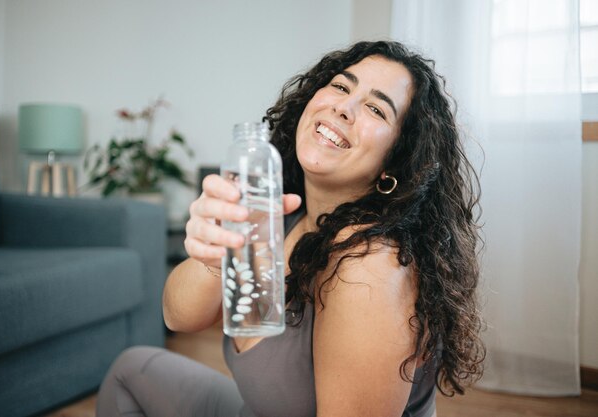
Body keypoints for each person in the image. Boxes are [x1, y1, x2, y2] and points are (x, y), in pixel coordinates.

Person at [96, 40, 485, 417]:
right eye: (340, 86)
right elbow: (177, 317)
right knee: (130, 371)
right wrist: (214, 253)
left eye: (376, 110)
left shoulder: (369, 264)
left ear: (395, 164)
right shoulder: (281, 216)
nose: (344, 107)